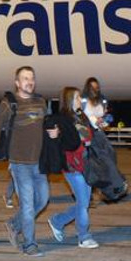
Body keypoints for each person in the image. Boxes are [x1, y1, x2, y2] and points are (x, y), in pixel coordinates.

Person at [0, 66, 59, 257]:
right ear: (17, 83)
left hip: (39, 162)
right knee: (28, 205)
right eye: (25, 78)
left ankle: (14, 224)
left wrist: (55, 133)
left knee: (42, 200)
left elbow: (43, 127)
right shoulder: (9, 103)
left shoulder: (41, 102)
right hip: (19, 163)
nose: (29, 81)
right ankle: (29, 244)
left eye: (32, 78)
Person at [44, 87, 100, 249]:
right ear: (69, 100)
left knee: (84, 202)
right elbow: (67, 141)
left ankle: (58, 221)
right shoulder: (63, 119)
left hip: (85, 164)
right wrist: (58, 134)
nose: (79, 100)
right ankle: (83, 236)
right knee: (83, 203)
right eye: (76, 98)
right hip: (72, 166)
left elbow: (89, 137)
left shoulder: (81, 117)